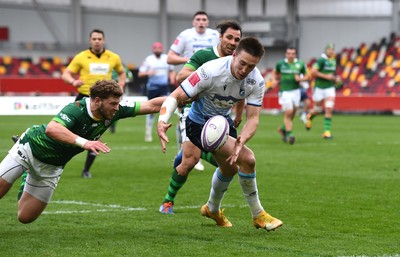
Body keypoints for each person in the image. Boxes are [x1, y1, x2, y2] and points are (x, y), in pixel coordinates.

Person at [157, 37, 283, 231]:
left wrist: (242, 139)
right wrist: (162, 121)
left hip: (222, 124)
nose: (244, 70)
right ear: (234, 55)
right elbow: (176, 96)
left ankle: (212, 209)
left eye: (251, 66)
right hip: (198, 124)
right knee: (248, 159)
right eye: (242, 63)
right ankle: (258, 215)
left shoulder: (256, 80)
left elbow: (253, 118)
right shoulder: (210, 71)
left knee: (231, 168)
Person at [0, 79, 166, 224]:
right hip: (29, 148)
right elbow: (53, 128)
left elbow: (152, 105)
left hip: (52, 167)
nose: (117, 108)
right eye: (113, 104)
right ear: (98, 101)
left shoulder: (115, 111)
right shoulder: (76, 109)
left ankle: (26, 177)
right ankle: (25, 168)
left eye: (118, 103)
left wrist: (182, 97)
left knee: (25, 217)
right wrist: (84, 143)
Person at [159, 20, 243, 214]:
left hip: (221, 117)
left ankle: (193, 152)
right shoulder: (205, 56)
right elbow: (182, 77)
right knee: (189, 162)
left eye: (237, 39)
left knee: (232, 163)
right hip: (193, 111)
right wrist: (207, 79)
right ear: (220, 37)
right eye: (229, 37)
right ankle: (168, 201)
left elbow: (242, 89)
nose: (232, 42)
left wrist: (238, 114)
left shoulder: (239, 61)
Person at [61, 29, 126, 178]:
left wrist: (121, 84)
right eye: (94, 39)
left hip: (104, 101)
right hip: (84, 97)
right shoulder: (81, 57)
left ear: (103, 40)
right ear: (90, 41)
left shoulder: (113, 57)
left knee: (95, 136)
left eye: (99, 38)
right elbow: (65, 74)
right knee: (65, 130)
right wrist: (73, 81)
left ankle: (86, 170)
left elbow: (122, 72)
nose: (97, 41)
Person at [167, 10, 220, 171]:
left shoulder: (215, 35)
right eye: (198, 19)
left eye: (204, 19)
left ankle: (192, 154)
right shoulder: (185, 35)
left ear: (208, 22)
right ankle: (185, 153)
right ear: (193, 22)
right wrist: (191, 59)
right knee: (184, 118)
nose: (201, 22)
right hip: (190, 81)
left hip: (211, 84)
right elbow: (170, 57)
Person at [138, 42, 176, 142]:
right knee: (150, 110)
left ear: (162, 49)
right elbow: (140, 73)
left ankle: (163, 130)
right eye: (155, 48)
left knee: (166, 108)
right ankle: (148, 133)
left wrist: (172, 79)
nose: (157, 49)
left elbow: (171, 70)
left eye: (159, 48)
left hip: (164, 87)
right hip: (152, 88)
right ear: (152, 49)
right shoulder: (148, 59)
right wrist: (148, 72)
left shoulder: (166, 58)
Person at [272, 47, 309, 144]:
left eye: (293, 53)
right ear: (286, 54)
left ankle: (283, 129)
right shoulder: (281, 64)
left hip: (296, 91)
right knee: (289, 112)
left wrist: (301, 79)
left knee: (293, 113)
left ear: (295, 55)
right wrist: (274, 80)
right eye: (289, 53)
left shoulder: (300, 64)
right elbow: (274, 72)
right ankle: (290, 134)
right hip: (285, 91)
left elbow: (308, 76)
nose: (291, 55)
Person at [306, 43, 341, 139]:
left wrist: (335, 79)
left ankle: (327, 132)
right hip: (319, 88)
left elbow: (331, 74)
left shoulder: (333, 60)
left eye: (333, 49)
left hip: (330, 88)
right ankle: (310, 116)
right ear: (326, 50)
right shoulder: (321, 60)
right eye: (330, 49)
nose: (331, 51)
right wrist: (327, 77)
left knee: (329, 108)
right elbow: (313, 71)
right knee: (317, 110)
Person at [109, 65, 134, 134]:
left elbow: (130, 77)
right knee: (115, 107)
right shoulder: (123, 69)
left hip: (115, 90)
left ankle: (112, 123)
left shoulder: (112, 68)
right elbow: (130, 78)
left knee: (114, 107)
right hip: (116, 90)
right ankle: (111, 122)